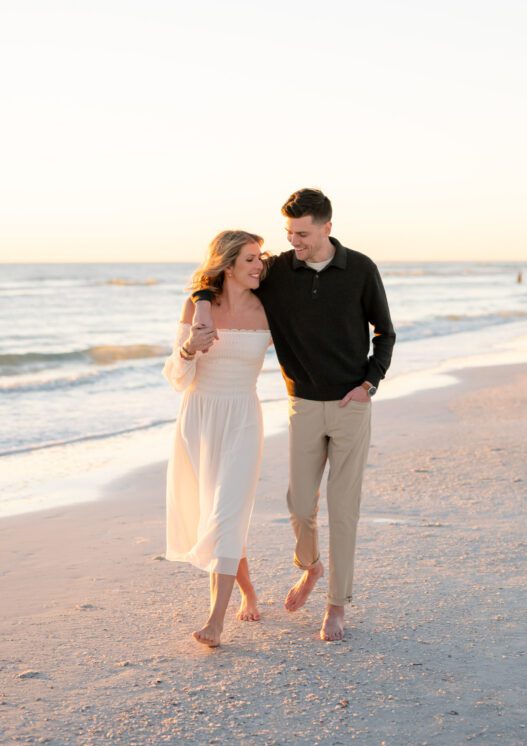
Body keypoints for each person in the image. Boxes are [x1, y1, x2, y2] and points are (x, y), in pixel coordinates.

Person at [193, 189, 395, 641]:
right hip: (302, 403)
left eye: (301, 233)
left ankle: (336, 607)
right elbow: (223, 274)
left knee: (343, 512)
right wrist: (201, 300)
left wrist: (368, 384)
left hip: (351, 406)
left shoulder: (360, 268)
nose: (293, 241)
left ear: (326, 226)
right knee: (300, 505)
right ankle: (310, 566)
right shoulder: (280, 270)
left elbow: (385, 332)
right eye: (289, 233)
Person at [163, 229, 270, 647]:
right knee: (218, 512)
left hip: (243, 415)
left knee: (227, 511)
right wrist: (189, 349)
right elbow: (176, 377)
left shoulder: (269, 308)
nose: (259, 265)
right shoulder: (197, 305)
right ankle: (247, 589)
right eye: (249, 259)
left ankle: (215, 621)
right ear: (227, 266)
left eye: (260, 257)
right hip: (200, 417)